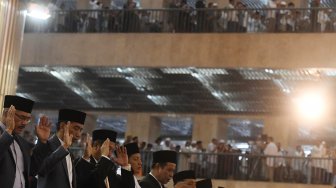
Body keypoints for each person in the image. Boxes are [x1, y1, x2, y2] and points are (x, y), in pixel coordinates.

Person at [0, 95, 50, 188]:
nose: (25, 123)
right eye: (22, 118)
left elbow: (33, 170)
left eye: (28, 119)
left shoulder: (22, 143)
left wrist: (42, 142)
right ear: (7, 114)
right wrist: (8, 133)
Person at [31, 108, 86, 188]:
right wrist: (64, 147)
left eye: (80, 130)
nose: (78, 134)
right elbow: (41, 170)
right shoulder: (47, 145)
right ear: (63, 126)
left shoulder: (68, 151)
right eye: (76, 128)